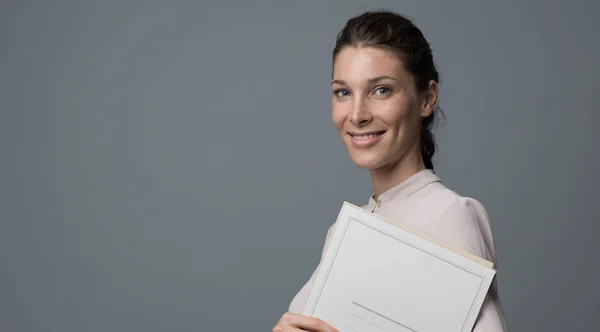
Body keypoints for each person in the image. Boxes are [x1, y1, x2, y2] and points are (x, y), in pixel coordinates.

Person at [272, 10, 508, 332]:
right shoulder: (343, 231)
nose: (356, 114)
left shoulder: (449, 215)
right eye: (343, 92)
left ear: (427, 98)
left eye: (381, 90)